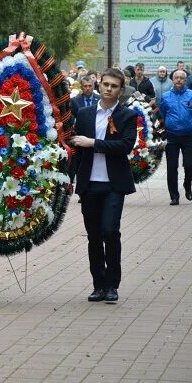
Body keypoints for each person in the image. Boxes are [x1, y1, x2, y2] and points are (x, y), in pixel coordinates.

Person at [70, 68, 137, 302]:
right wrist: (70, 179)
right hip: (90, 184)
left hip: (114, 185)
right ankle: (98, 285)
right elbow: (77, 150)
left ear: (121, 90)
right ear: (99, 85)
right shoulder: (85, 114)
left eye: (114, 86)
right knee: (94, 236)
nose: (108, 89)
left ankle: (112, 285)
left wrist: (93, 143)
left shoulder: (127, 115)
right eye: (106, 84)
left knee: (110, 231)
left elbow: (125, 145)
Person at [159, 70, 192, 205]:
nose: (179, 80)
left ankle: (187, 184)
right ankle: (174, 196)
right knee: (172, 167)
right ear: (172, 80)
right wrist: (161, 136)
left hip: (188, 135)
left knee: (189, 164)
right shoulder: (166, 96)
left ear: (185, 80)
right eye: (176, 78)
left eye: (181, 78)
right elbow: (162, 116)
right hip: (171, 136)